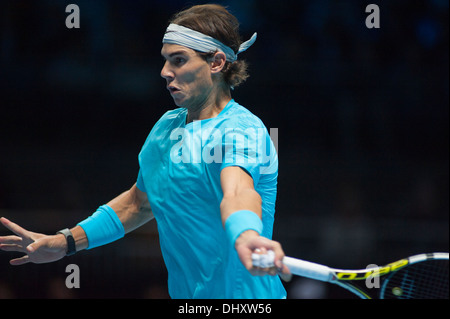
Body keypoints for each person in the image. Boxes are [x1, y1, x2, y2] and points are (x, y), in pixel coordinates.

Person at [0, 4, 289, 299]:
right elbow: (138, 203)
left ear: (216, 63)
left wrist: (246, 236)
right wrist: (65, 242)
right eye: (165, 61)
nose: (165, 72)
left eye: (178, 60)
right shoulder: (166, 130)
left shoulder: (242, 130)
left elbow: (238, 192)